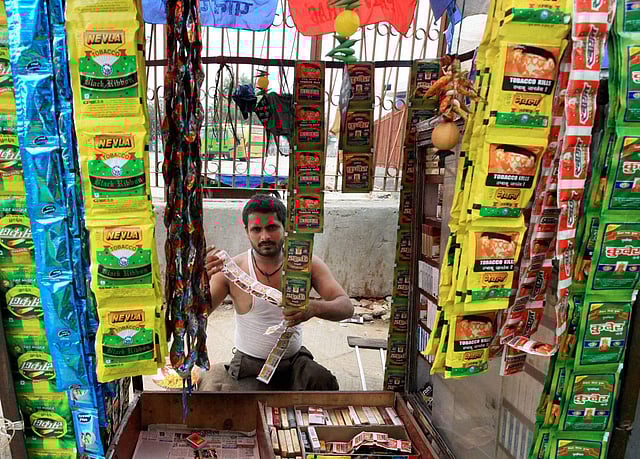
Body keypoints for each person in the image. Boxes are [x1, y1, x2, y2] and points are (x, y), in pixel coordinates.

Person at [203, 193, 353, 391]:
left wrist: (313, 308)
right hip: (249, 366)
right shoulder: (231, 271)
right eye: (256, 229)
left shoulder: (306, 264)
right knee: (243, 404)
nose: (265, 236)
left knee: (322, 382)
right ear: (247, 231)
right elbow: (196, 315)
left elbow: (346, 307)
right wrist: (198, 282)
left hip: (294, 362)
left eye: (272, 227)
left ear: (285, 228)